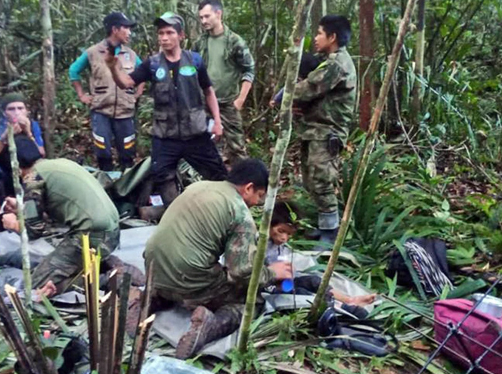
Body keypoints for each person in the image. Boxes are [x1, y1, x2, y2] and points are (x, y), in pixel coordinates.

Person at [136, 159, 293, 359]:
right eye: (259, 196)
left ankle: (151, 298)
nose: (256, 203)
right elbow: (240, 272)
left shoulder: (199, 186)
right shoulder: (240, 214)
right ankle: (209, 326)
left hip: (152, 268)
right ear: (249, 188)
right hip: (189, 279)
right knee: (251, 302)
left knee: (184, 270)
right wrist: (272, 273)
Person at [106, 12, 227, 205]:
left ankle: (222, 210)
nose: (164, 37)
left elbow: (209, 91)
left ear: (181, 36)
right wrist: (113, 67)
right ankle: (177, 212)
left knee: (218, 175)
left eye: (169, 32)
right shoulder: (152, 64)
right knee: (161, 175)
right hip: (165, 135)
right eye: (161, 33)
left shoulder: (195, 60)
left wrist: (217, 122)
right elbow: (126, 83)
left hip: (195, 133)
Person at [3, 137, 144, 294]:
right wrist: (23, 209)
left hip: (91, 236)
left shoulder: (33, 178)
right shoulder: (58, 164)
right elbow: (60, 209)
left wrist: (14, 224)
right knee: (55, 264)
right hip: (110, 232)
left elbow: (34, 231)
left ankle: (108, 279)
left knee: (36, 284)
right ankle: (105, 264)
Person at [291, 15, 357, 249]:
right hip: (315, 129)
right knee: (311, 179)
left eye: (319, 33)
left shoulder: (336, 64)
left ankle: (331, 232)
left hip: (327, 132)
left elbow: (307, 89)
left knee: (322, 180)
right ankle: (324, 225)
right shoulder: (327, 60)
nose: (316, 38)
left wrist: (284, 95)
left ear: (333, 37)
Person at [69, 12, 145, 171]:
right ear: (115, 29)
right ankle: (106, 183)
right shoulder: (93, 52)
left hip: (125, 112)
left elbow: (143, 73)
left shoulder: (130, 54)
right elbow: (73, 71)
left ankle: (127, 186)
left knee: (127, 152)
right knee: (103, 151)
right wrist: (82, 95)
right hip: (101, 111)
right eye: (126, 28)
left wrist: (137, 94)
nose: (129, 33)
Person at [265, 201, 376, 307]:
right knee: (300, 293)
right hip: (266, 286)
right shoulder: (258, 245)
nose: (284, 238)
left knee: (314, 281)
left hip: (281, 282)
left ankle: (348, 300)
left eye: (289, 234)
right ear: (268, 224)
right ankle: (337, 307)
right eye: (281, 231)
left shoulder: (278, 246)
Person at [194, 0, 254, 166]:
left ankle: (243, 185)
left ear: (218, 14)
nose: (203, 21)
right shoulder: (200, 43)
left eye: (207, 16)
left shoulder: (235, 41)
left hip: (228, 104)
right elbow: (192, 70)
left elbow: (249, 70)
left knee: (236, 148)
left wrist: (240, 101)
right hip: (205, 104)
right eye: (201, 17)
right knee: (205, 146)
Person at [0, 93, 46, 196]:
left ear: (26, 111)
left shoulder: (33, 125)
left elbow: (41, 154)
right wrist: (4, 137)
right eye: (11, 109)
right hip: (4, 172)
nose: (16, 112)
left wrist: (28, 133)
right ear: (4, 113)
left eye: (20, 108)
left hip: (28, 172)